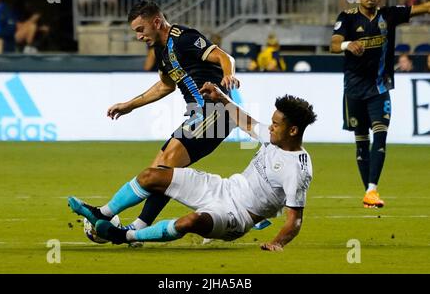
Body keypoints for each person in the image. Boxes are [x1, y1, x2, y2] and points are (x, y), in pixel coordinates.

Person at [68, 82, 317, 250]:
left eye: (276, 124)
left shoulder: (297, 169)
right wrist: (221, 97)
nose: (270, 127)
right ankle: (103, 214)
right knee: (152, 175)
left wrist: (277, 243)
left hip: (238, 216)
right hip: (223, 188)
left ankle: (125, 236)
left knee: (190, 222)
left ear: (292, 130)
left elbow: (295, 220)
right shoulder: (274, 138)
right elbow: (246, 121)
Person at [105, 0, 241, 239]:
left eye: (140, 30)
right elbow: (164, 86)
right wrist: (129, 105)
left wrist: (228, 75)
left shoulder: (183, 38)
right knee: (160, 171)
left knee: (167, 164)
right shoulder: (161, 50)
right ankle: (137, 227)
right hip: (199, 114)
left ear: (156, 22)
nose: (138, 36)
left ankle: (115, 219)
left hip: (215, 111)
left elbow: (223, 56)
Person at [330, 0, 430, 208]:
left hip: (380, 87)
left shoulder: (389, 15)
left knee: (381, 135)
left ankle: (372, 189)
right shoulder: (347, 18)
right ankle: (368, 192)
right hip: (353, 89)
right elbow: (334, 44)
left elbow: (423, 8)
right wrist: (347, 45)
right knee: (361, 142)